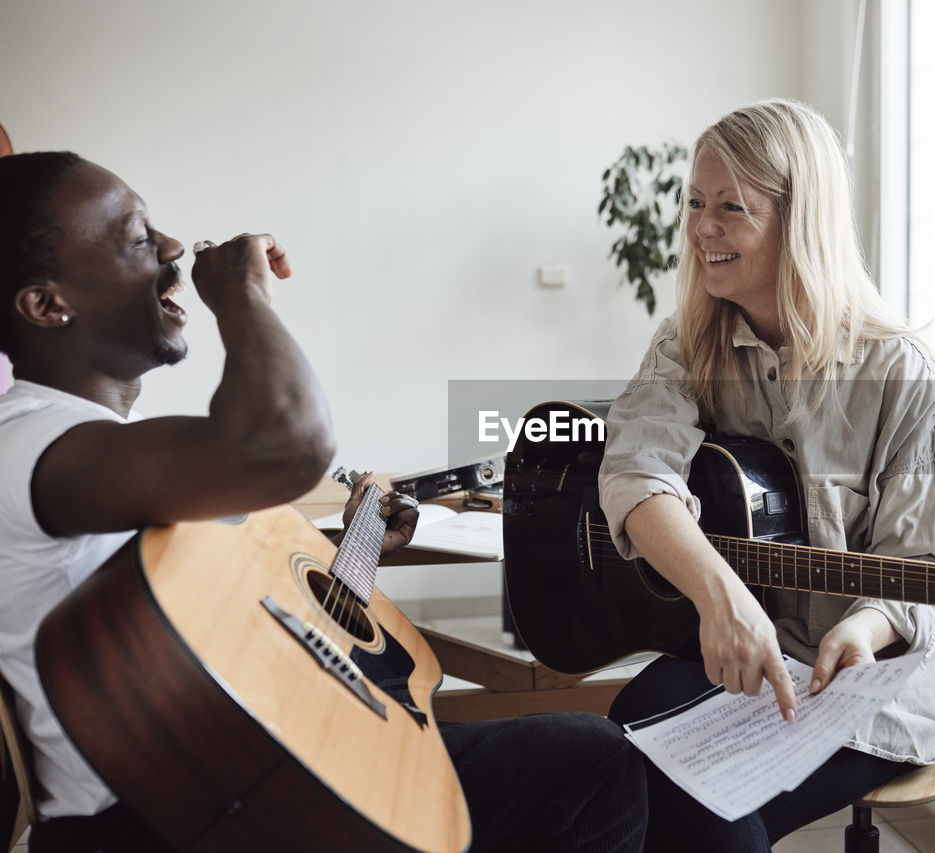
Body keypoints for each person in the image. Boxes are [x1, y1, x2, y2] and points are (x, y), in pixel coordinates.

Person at [0, 152, 646, 853]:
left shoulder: (107, 455)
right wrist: (241, 292)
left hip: (244, 764)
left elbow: (241, 633)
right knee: (591, 764)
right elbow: (288, 442)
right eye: (134, 236)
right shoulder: (33, 442)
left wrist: (356, 553)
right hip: (175, 809)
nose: (172, 248)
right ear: (46, 304)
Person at [599, 99, 935, 851]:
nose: (702, 228)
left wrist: (863, 629)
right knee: (623, 742)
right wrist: (723, 597)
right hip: (757, 652)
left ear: (799, 221)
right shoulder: (685, 344)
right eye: (696, 204)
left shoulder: (899, 373)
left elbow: (926, 569)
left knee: (698, 805)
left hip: (881, 672)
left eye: (731, 208)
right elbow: (637, 471)